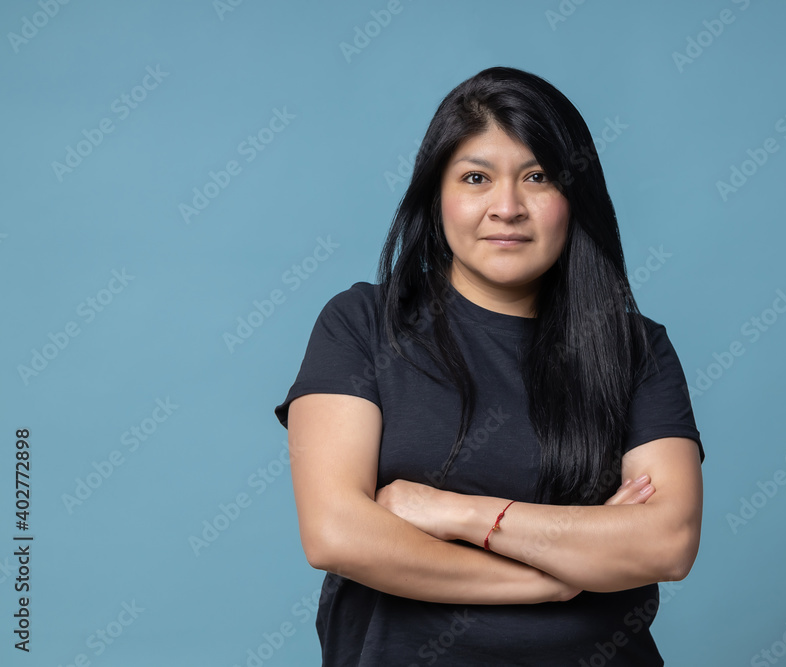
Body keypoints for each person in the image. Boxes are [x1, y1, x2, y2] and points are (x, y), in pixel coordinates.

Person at [273, 66, 704, 667]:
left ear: (573, 197)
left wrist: (453, 512)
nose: (507, 207)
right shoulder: (363, 323)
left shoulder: (635, 348)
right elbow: (337, 533)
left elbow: (668, 541)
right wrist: (551, 577)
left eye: (537, 177)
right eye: (476, 178)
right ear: (437, 195)